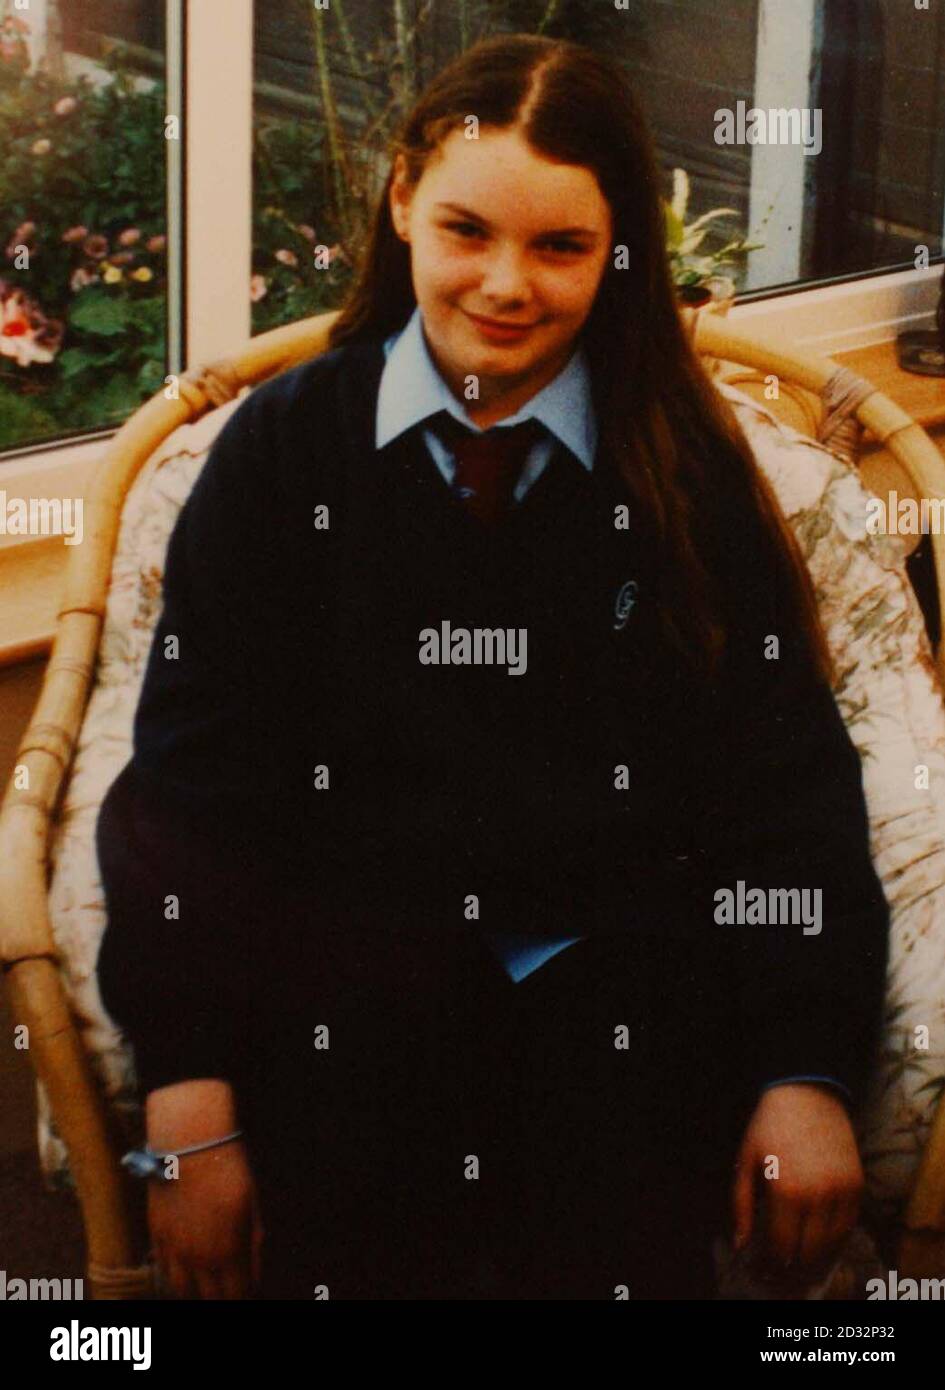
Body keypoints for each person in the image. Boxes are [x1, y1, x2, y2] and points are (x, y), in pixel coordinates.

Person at [95, 33, 889, 1301]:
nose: (505, 284)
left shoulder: (682, 474)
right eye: (467, 228)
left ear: (617, 248)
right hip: (347, 1050)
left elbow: (784, 787)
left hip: (616, 1053)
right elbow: (191, 797)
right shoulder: (281, 458)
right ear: (403, 197)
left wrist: (805, 1068)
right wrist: (188, 1094)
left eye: (561, 247)